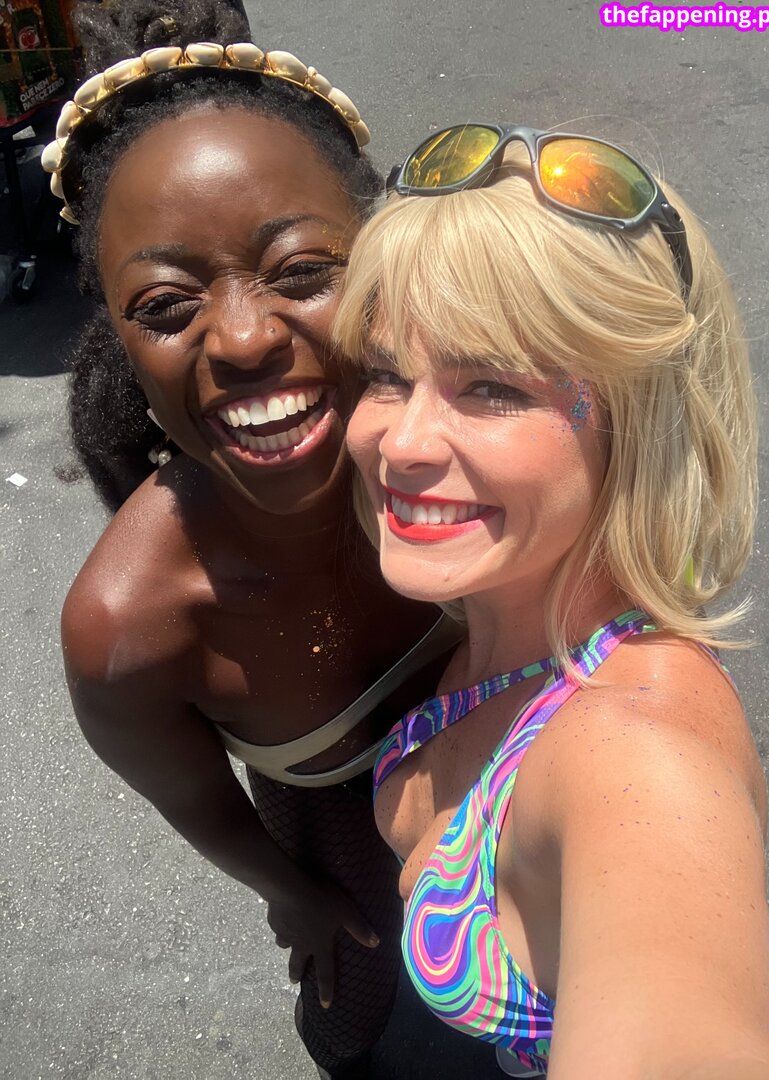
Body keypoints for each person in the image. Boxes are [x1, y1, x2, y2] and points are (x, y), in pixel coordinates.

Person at [333, 125, 769, 1078]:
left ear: (635, 425)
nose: (402, 442)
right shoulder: (501, 600)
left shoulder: (639, 761)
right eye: (387, 374)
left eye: (490, 387)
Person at [50, 5, 460, 1077]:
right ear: (119, 339)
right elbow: (200, 807)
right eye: (166, 303)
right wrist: (298, 896)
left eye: (300, 270)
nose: (241, 337)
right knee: (373, 1034)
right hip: (348, 870)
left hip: (533, 806)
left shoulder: (481, 446)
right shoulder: (130, 629)